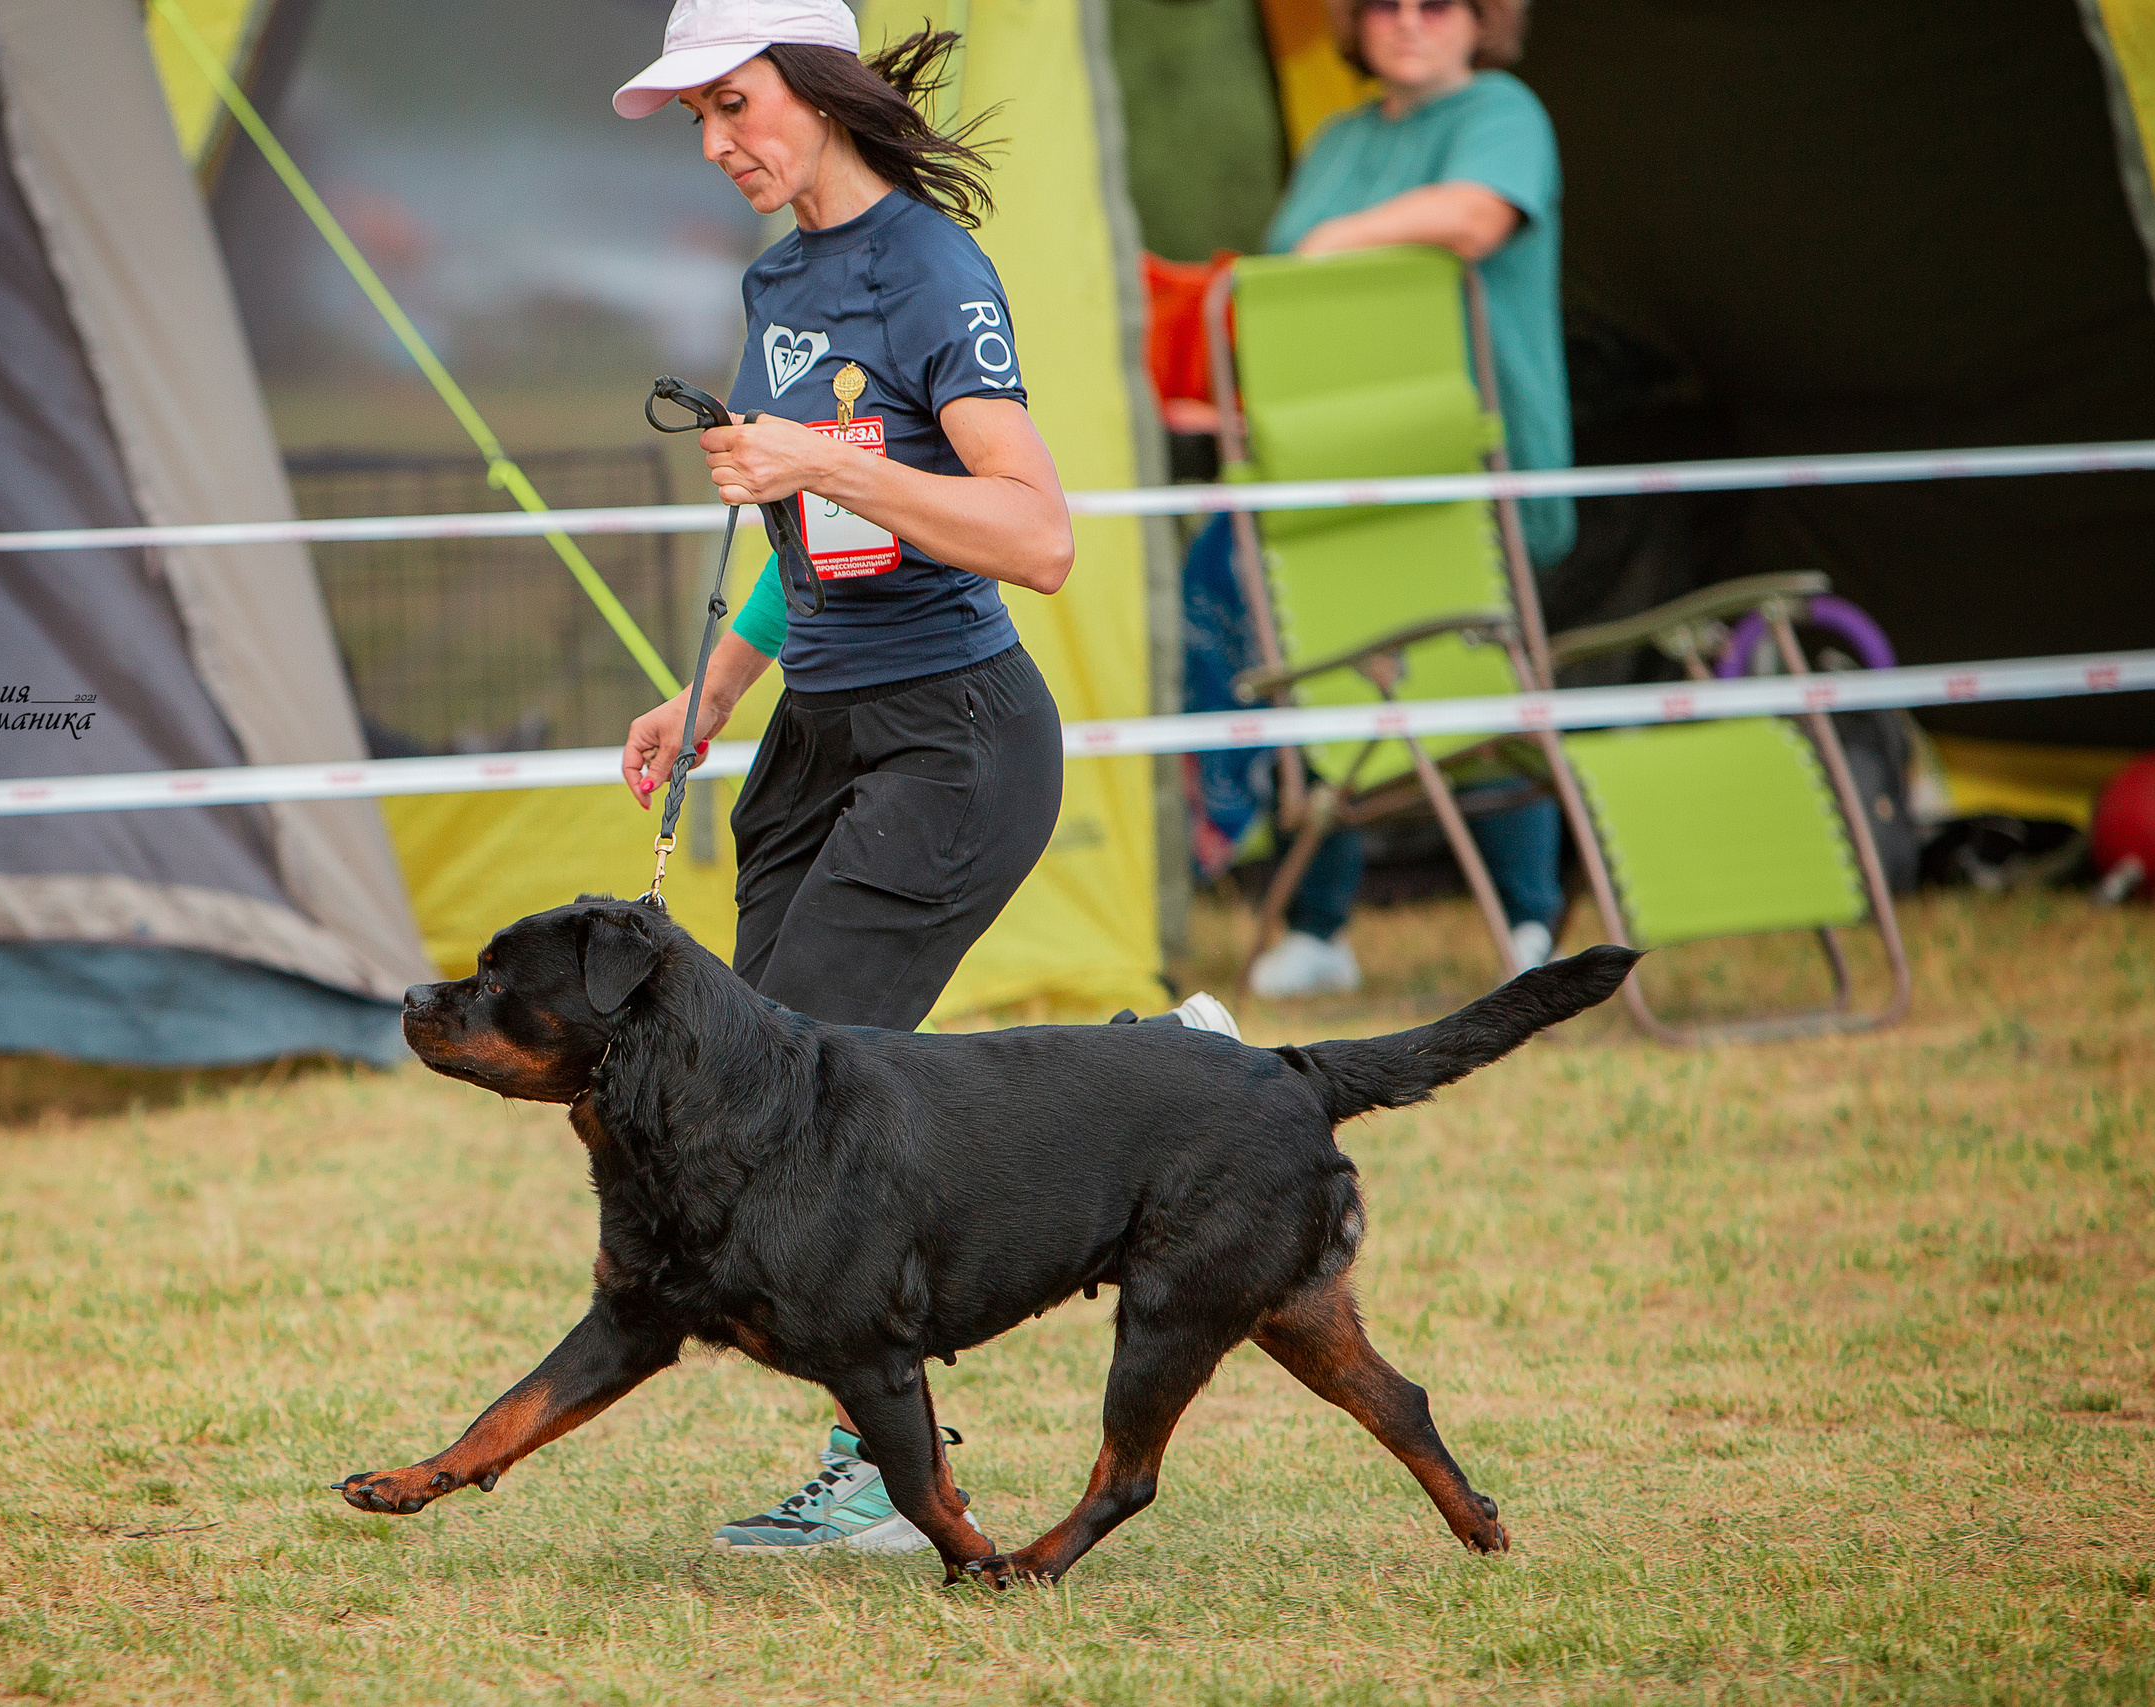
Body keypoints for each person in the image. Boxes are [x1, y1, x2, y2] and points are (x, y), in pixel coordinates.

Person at [611, 0, 1240, 1558]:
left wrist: (822, 456)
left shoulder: (933, 271)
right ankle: (1168, 1063)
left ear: (820, 90)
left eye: (736, 102)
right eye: (696, 117)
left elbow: (1037, 533)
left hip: (955, 737)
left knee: (809, 1107)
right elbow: (811, 538)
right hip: (814, 739)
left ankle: (888, 1479)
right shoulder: (777, 280)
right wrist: (709, 693)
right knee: (769, 1083)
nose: (717, 142)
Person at [1192, 0, 1575, 998]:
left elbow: (1476, 218)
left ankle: (1530, 925)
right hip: (1328, 469)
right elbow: (1279, 292)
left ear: (1482, 20)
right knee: (1319, 678)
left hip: (1467, 464)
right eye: (1382, 4)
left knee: (1478, 682)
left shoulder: (1503, 111)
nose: (1407, 22)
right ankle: (1318, 927)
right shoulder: (1337, 138)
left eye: (1434, 2)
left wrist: (1341, 237)